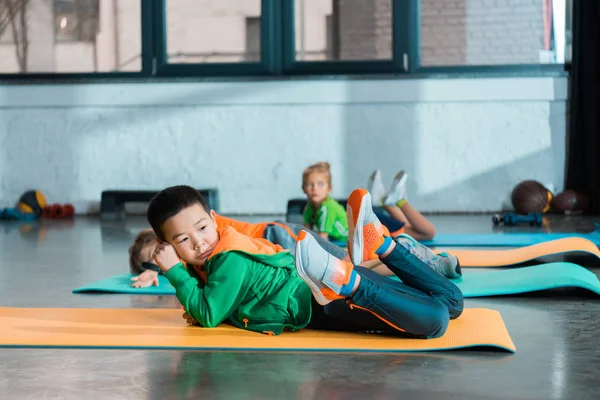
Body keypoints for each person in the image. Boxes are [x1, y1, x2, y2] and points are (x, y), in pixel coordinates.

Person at [148, 185, 463, 338]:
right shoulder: (218, 250)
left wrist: (174, 270)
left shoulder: (227, 259)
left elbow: (207, 314)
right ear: (169, 245)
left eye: (202, 228)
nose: (199, 242)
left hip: (321, 303)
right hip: (319, 286)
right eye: (183, 240)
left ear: (214, 219)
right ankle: (382, 245)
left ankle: (348, 280)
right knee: (452, 301)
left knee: (434, 321)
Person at [367, 169, 436, 241]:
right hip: (374, 227)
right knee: (428, 233)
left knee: (426, 232)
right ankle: (397, 200)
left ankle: (386, 200)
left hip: (373, 222)